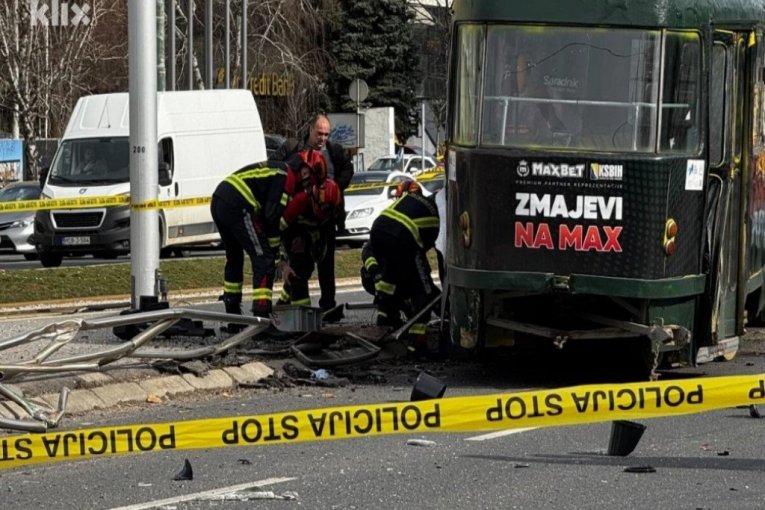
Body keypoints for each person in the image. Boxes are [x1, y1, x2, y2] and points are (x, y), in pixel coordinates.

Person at [273, 114, 354, 322]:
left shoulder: (335, 151)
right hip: (300, 216)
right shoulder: (294, 149)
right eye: (320, 134)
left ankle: (328, 305)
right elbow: (277, 169)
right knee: (301, 261)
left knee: (326, 262)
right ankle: (291, 304)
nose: (323, 138)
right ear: (310, 130)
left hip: (325, 218)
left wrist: (334, 189)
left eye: (327, 134)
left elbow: (348, 169)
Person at [210, 161, 294, 325]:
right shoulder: (283, 177)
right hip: (238, 203)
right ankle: (261, 318)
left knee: (234, 257)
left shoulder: (275, 171)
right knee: (263, 260)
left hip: (219, 200)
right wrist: (278, 259)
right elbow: (271, 218)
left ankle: (233, 317)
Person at [369, 180, 440, 354]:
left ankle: (384, 322)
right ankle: (417, 344)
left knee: (390, 280)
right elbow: (421, 258)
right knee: (424, 292)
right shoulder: (435, 213)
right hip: (402, 239)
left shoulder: (408, 201)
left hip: (377, 231)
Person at [277, 178, 342, 307]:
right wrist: (282, 262)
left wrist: (315, 244)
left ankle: (284, 301)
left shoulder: (330, 212)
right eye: (324, 207)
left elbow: (320, 231)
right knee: (299, 266)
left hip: (306, 234)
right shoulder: (299, 202)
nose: (325, 211)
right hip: (290, 231)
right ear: (315, 197)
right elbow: (275, 233)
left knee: (309, 267)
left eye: (329, 209)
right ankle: (301, 309)